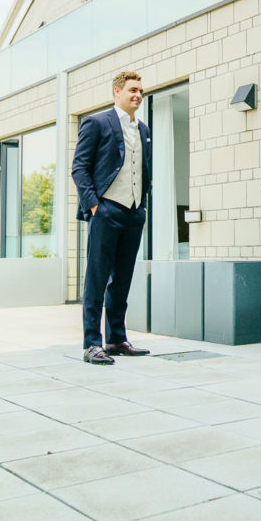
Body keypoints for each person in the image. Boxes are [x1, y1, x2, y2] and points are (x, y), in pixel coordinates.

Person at [72, 71, 152, 364]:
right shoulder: (97, 122)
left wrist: (142, 207)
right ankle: (92, 343)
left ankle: (117, 338)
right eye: (132, 90)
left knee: (122, 280)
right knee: (96, 279)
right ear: (117, 92)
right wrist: (95, 207)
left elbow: (143, 170)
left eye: (140, 91)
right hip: (106, 210)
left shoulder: (143, 129)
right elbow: (79, 168)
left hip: (133, 212)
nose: (138, 95)